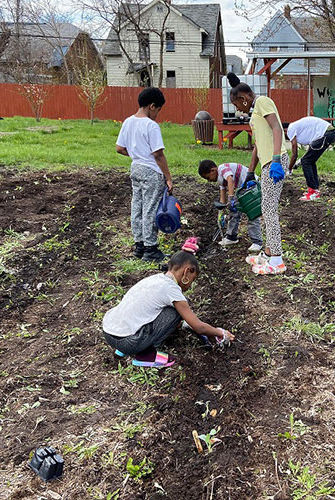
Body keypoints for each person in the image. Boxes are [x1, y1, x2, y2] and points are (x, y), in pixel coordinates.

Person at [102, 251, 234, 368]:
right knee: (178, 310)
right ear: (186, 271)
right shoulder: (171, 289)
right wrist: (220, 333)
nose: (190, 286)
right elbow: (198, 326)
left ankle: (124, 350)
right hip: (128, 342)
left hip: (110, 333)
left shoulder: (155, 279)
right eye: (192, 280)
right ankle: (145, 354)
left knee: (176, 308)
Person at [227, 72, 288, 275]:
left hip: (275, 161)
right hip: (266, 162)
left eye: (237, 105)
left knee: (270, 209)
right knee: (265, 206)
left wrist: (277, 160)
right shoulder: (254, 114)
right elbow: (257, 145)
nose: (237, 109)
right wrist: (251, 173)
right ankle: (269, 252)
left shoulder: (263, 101)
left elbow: (277, 129)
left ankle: (277, 260)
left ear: (243, 98)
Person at [116, 87, 172, 262]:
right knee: (150, 208)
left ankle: (139, 245)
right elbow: (158, 154)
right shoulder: (151, 126)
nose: (158, 114)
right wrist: (168, 177)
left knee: (137, 207)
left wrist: (136, 155)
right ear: (152, 106)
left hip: (135, 169)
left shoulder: (128, 122)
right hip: (150, 171)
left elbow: (119, 148)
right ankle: (151, 249)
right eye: (159, 110)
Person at [198, 159, 262, 253]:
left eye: (208, 178)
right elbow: (222, 194)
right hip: (242, 189)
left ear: (213, 170)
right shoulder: (219, 178)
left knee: (252, 212)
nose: (209, 181)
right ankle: (231, 237)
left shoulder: (222, 169)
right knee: (234, 212)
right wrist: (222, 210)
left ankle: (257, 242)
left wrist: (231, 198)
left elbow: (230, 180)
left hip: (251, 186)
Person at [287, 116, 335, 201]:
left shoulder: (290, 129)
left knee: (306, 162)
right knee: (310, 161)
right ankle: (315, 190)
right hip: (327, 133)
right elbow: (310, 150)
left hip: (325, 133)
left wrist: (289, 169)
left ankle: (313, 191)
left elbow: (294, 154)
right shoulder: (298, 127)